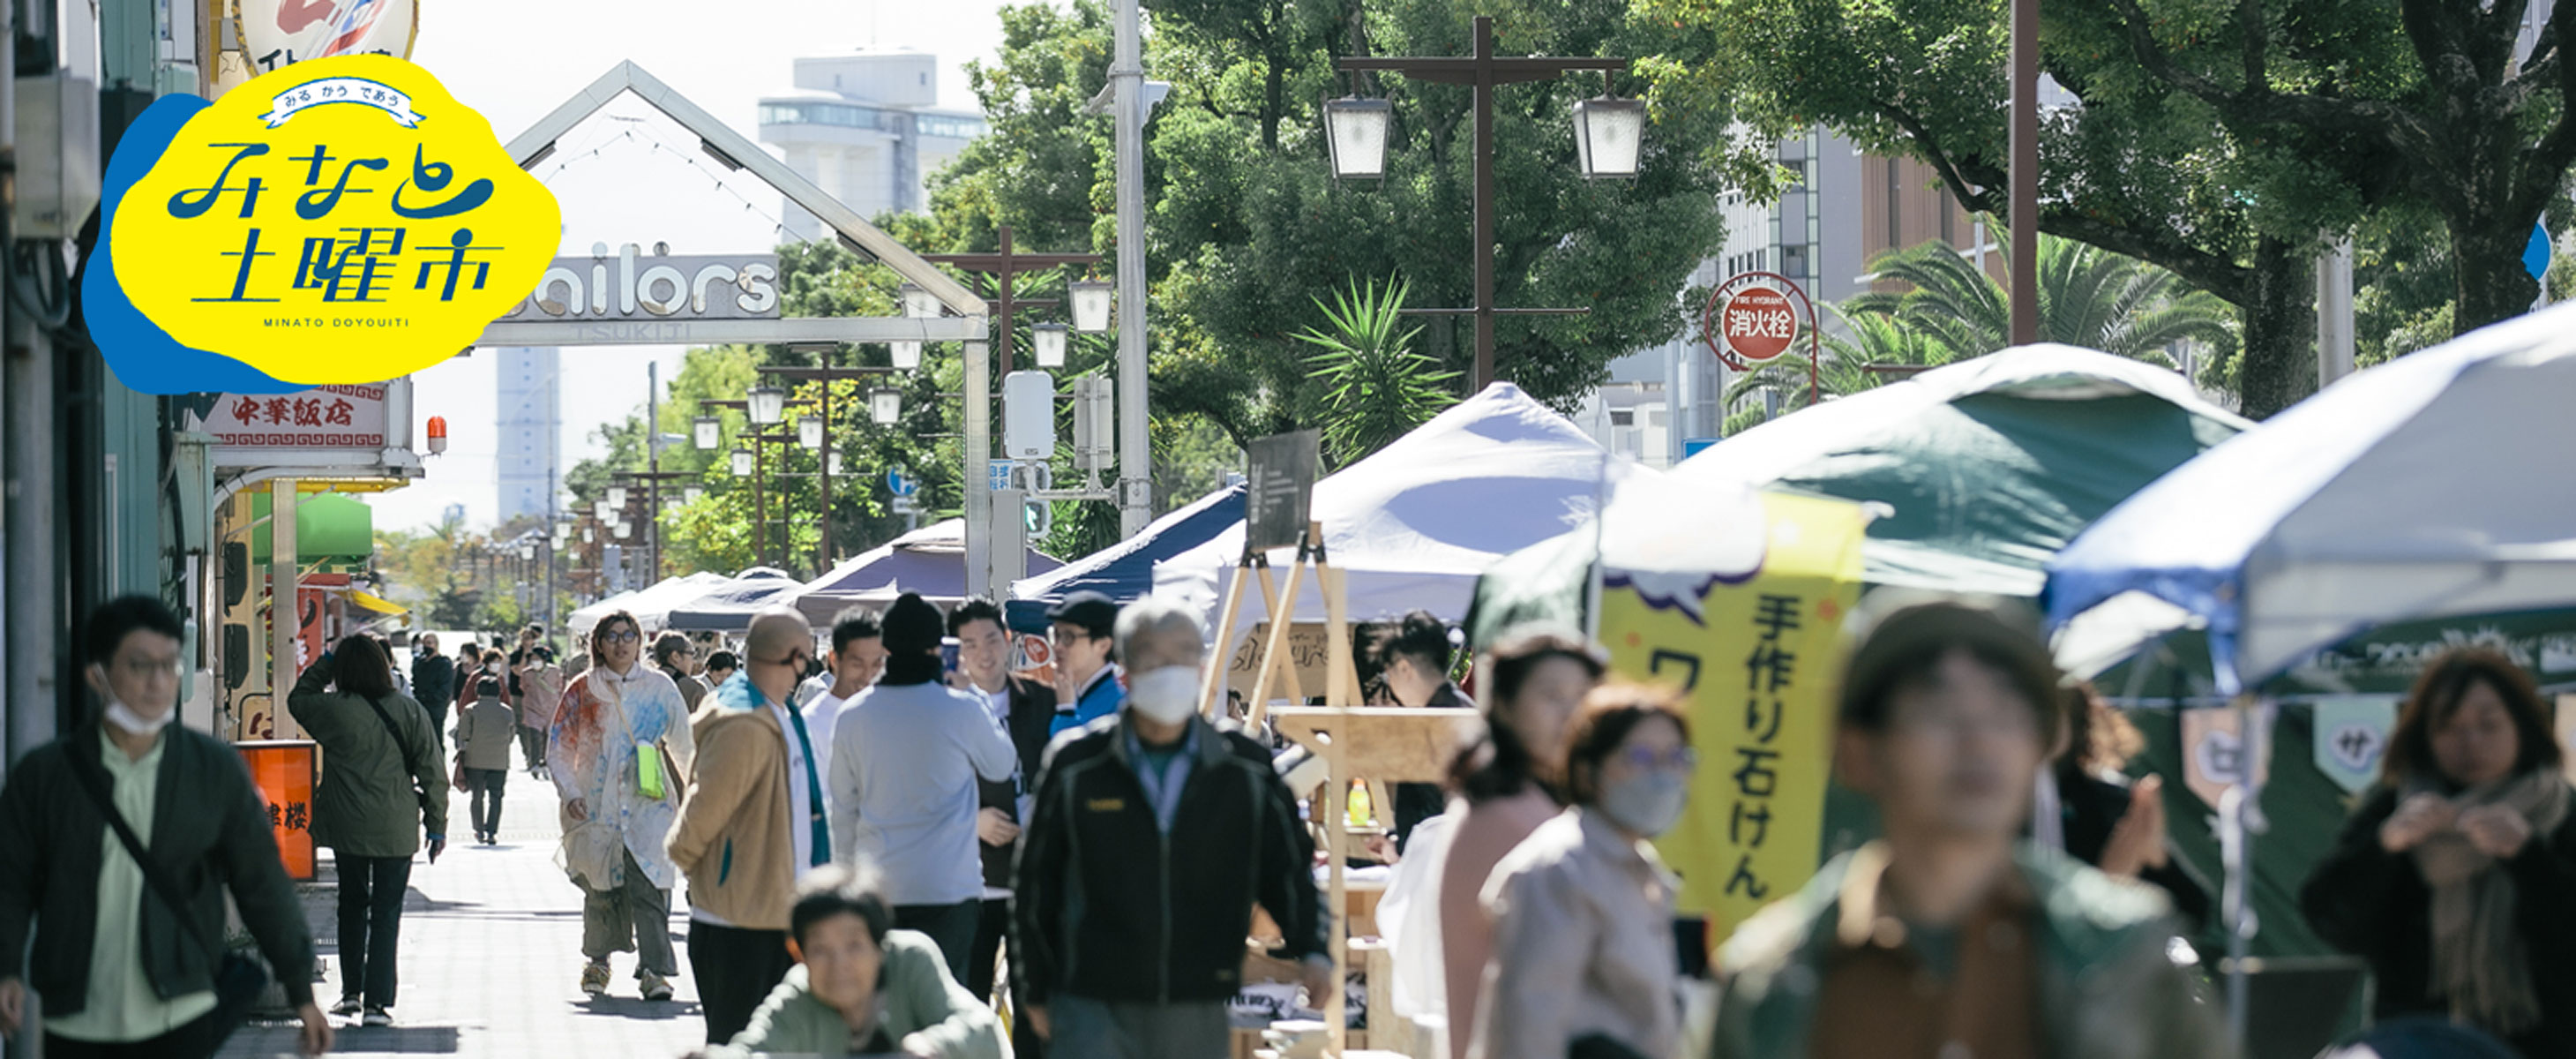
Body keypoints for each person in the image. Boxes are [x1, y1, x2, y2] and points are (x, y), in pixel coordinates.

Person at [1711, 596, 2225, 1058]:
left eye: (2006, 713)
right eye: (1938, 711)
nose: (1979, 741)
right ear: (1858, 752)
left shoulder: (2126, 955)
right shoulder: (1770, 979)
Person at [0, 597, 333, 1059]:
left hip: (181, 1004)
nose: (158, 681)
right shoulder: (47, 774)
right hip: (76, 1011)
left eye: (170, 665)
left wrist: (300, 989)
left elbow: (261, 880)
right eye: (140, 665)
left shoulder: (212, 769)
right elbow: (11, 881)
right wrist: (7, 968)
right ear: (97, 675)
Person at [1014, 594, 1331, 1058]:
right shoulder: (1078, 766)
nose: (1169, 670)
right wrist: (1034, 985)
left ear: (1201, 667)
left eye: (1183, 654)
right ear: (1125, 669)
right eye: (1152, 657)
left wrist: (1314, 949)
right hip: (1091, 999)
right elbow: (1036, 883)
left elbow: (1286, 866)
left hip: (1197, 997)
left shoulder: (1242, 767)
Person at [2301, 647, 2576, 1056]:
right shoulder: (2395, 807)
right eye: (2448, 727)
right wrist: (2384, 848)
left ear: (2523, 726)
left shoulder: (2560, 812)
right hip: (2415, 1043)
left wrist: (2528, 858)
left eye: (2489, 725)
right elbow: (2331, 921)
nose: (2470, 743)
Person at [1471, 684, 1696, 1059]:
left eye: (1676, 758)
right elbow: (1530, 1023)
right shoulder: (1561, 869)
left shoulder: (1642, 869)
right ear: (1588, 771)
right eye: (1640, 757)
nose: (1662, 775)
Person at [669, 607, 841, 1045]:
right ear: (796, 656)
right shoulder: (744, 722)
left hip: (770, 912)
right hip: (738, 920)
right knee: (738, 1043)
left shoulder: (775, 710)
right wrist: (715, 877)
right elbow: (700, 817)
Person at [829, 593, 1018, 983]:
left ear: (885, 648)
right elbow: (1002, 765)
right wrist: (972, 691)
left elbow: (843, 810)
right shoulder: (962, 709)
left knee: (885, 1001)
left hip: (879, 885)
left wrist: (847, 879)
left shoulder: (853, 715)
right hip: (950, 887)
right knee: (944, 1001)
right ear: (937, 647)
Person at [1437, 627, 1604, 1059]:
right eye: (1552, 696)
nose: (1571, 714)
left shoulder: (1520, 801)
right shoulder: (1508, 818)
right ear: (1506, 707)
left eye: (1583, 697)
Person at [288, 635, 448, 1027]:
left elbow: (298, 698)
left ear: (342, 670)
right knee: (387, 912)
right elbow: (432, 771)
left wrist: (326, 660)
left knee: (352, 904)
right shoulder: (409, 710)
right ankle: (378, 1004)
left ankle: (350, 994)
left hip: (348, 824)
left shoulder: (332, 710)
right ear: (383, 666)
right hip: (395, 825)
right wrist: (436, 825)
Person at [710, 862, 1007, 1059]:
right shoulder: (799, 993)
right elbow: (753, 1050)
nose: (839, 963)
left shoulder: (910, 960)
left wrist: (932, 1045)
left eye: (854, 946)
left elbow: (980, 1027)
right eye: (820, 950)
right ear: (798, 953)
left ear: (880, 945)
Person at [549, 610, 697, 1002]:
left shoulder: (660, 687)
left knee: (651, 885)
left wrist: (698, 795)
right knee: (600, 889)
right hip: (596, 807)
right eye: (612, 636)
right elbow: (559, 747)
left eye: (628, 635)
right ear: (598, 643)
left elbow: (684, 746)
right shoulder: (583, 689)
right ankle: (598, 961)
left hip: (649, 805)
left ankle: (655, 971)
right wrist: (571, 792)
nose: (621, 643)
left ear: (640, 641)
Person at [947, 598, 1057, 1039]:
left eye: (992, 639)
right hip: (972, 879)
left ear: (1008, 640)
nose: (984, 653)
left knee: (1035, 1003)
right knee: (968, 1000)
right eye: (970, 644)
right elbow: (922, 788)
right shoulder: (946, 707)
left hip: (1034, 875)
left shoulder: (1043, 700)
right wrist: (970, 820)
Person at [2037, 681, 2211, 930]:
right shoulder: (1990, 809)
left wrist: (2156, 859)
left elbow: (2192, 914)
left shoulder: (2108, 800)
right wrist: (2107, 886)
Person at [1367, 611, 1473, 855]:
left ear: (1405, 668)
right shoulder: (1463, 710)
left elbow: (1437, 815)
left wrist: (1397, 848)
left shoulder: (1432, 723)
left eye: (1388, 675)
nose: (1391, 685)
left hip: (1442, 859)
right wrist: (1396, 840)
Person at [801, 606, 887, 794]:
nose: (867, 676)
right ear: (834, 659)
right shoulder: (811, 724)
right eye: (857, 664)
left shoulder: (890, 717)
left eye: (876, 664)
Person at [453, 667, 518, 846]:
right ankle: (492, 831)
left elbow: (464, 734)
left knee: (477, 796)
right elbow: (511, 736)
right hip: (499, 761)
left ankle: (479, 829)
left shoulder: (470, 710)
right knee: (496, 797)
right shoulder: (507, 711)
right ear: (499, 692)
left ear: (477, 691)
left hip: (475, 760)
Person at [1045, 590, 1124, 737]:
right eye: (1055, 635)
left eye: (1068, 637)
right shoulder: (1072, 695)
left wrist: (1066, 711)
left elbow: (1072, 751)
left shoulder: (1120, 705)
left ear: (1103, 646)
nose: (1057, 646)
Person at [514, 644, 565, 779]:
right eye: (532, 659)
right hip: (533, 708)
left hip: (551, 708)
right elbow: (524, 688)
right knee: (535, 736)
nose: (535, 662)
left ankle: (546, 762)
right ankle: (535, 762)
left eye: (537, 659)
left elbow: (560, 687)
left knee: (549, 737)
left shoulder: (555, 672)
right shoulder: (527, 674)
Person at [412, 634, 456, 739]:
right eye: (424, 643)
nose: (426, 646)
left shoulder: (443, 663)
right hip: (420, 708)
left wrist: (429, 697)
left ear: (436, 645)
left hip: (436, 709)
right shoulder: (420, 663)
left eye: (429, 643)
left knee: (436, 738)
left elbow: (445, 689)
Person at [656, 631, 710, 714]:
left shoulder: (644, 682)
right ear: (675, 656)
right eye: (692, 654)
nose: (693, 661)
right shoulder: (695, 689)